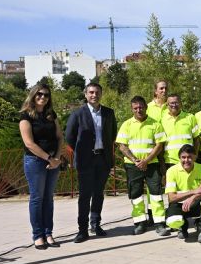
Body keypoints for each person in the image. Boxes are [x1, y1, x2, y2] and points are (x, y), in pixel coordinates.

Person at [65, 82, 117, 243]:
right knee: (85, 195)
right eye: (91, 92)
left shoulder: (109, 113)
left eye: (97, 92)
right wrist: (83, 151)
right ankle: (82, 229)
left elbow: (112, 134)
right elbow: (69, 137)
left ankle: (96, 224)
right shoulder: (77, 114)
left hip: (103, 159)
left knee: (98, 194)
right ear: (85, 95)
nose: (94, 95)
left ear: (101, 94)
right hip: (85, 160)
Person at [116, 96, 168, 236]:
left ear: (146, 107)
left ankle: (159, 223)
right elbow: (122, 146)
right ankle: (139, 223)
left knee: (156, 195)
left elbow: (160, 145)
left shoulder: (155, 124)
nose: (139, 110)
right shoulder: (126, 124)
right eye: (135, 108)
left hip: (152, 165)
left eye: (141, 107)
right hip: (133, 166)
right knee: (136, 195)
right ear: (132, 109)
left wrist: (147, 160)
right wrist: (136, 161)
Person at [19, 84, 63, 249]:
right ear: (33, 95)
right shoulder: (26, 116)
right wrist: (49, 158)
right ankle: (38, 235)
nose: (42, 97)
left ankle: (48, 233)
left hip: (53, 160)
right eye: (39, 94)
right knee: (37, 198)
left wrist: (57, 157)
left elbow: (60, 137)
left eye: (46, 95)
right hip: (35, 161)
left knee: (48, 199)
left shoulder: (51, 115)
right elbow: (29, 144)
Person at [164, 145, 201, 241]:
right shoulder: (171, 171)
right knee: (172, 221)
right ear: (179, 158)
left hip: (197, 203)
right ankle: (182, 226)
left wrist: (193, 198)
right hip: (179, 204)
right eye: (183, 157)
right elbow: (171, 198)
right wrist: (193, 191)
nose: (186, 160)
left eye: (190, 157)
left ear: (195, 157)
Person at [161, 94, 200, 169]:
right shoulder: (163, 120)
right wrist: (162, 162)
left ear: (181, 104)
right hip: (170, 161)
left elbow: (196, 139)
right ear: (167, 105)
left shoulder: (190, 117)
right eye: (171, 103)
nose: (174, 105)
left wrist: (195, 156)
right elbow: (161, 144)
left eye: (176, 102)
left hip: (188, 160)